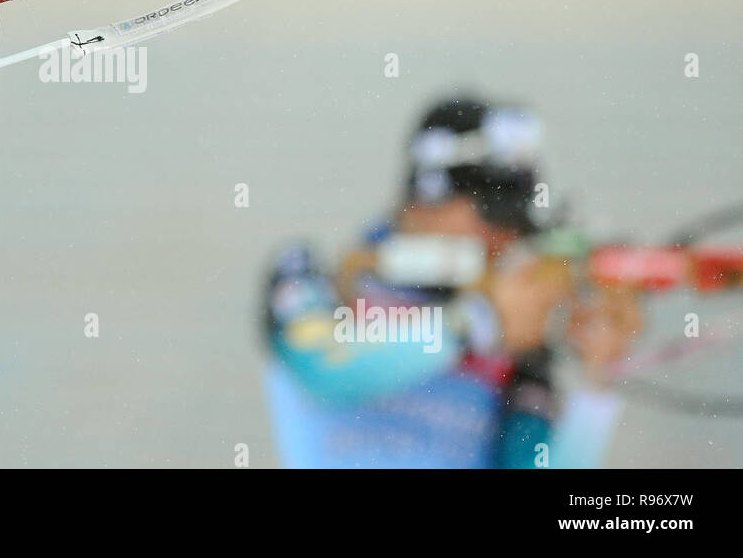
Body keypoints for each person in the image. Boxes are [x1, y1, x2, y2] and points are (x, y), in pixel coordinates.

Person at [262, 95, 641, 468]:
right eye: (493, 211)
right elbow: (327, 369)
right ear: (429, 198)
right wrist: (478, 321)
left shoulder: (512, 338)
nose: (505, 237)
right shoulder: (321, 278)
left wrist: (598, 381)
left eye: (517, 218)